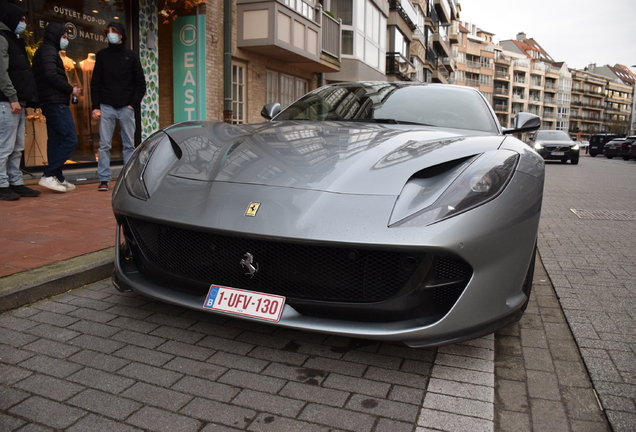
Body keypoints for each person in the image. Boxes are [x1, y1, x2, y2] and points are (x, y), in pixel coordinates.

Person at [91, 22, 146, 192]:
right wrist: (95, 106)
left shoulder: (132, 56)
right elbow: (96, 82)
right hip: (107, 106)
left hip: (126, 107)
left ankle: (127, 178)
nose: (110, 35)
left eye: (114, 32)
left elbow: (140, 83)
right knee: (104, 144)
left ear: (122, 35)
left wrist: (132, 104)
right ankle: (104, 179)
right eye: (108, 32)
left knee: (129, 144)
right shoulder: (102, 56)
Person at [32, 21, 81, 193]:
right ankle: (49, 174)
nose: (66, 40)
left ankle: (57, 177)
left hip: (49, 101)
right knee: (70, 139)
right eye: (64, 36)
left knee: (55, 140)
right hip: (55, 102)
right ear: (55, 36)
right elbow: (51, 75)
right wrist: (71, 89)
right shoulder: (49, 51)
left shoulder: (44, 51)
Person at [0, 3, 40, 201]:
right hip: (6, 102)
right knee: (5, 146)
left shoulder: (16, 41)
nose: (23, 23)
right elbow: (2, 73)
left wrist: (23, 102)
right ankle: (1, 183)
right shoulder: (2, 39)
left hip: (17, 102)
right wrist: (13, 98)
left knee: (17, 147)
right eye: (21, 19)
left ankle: (15, 182)